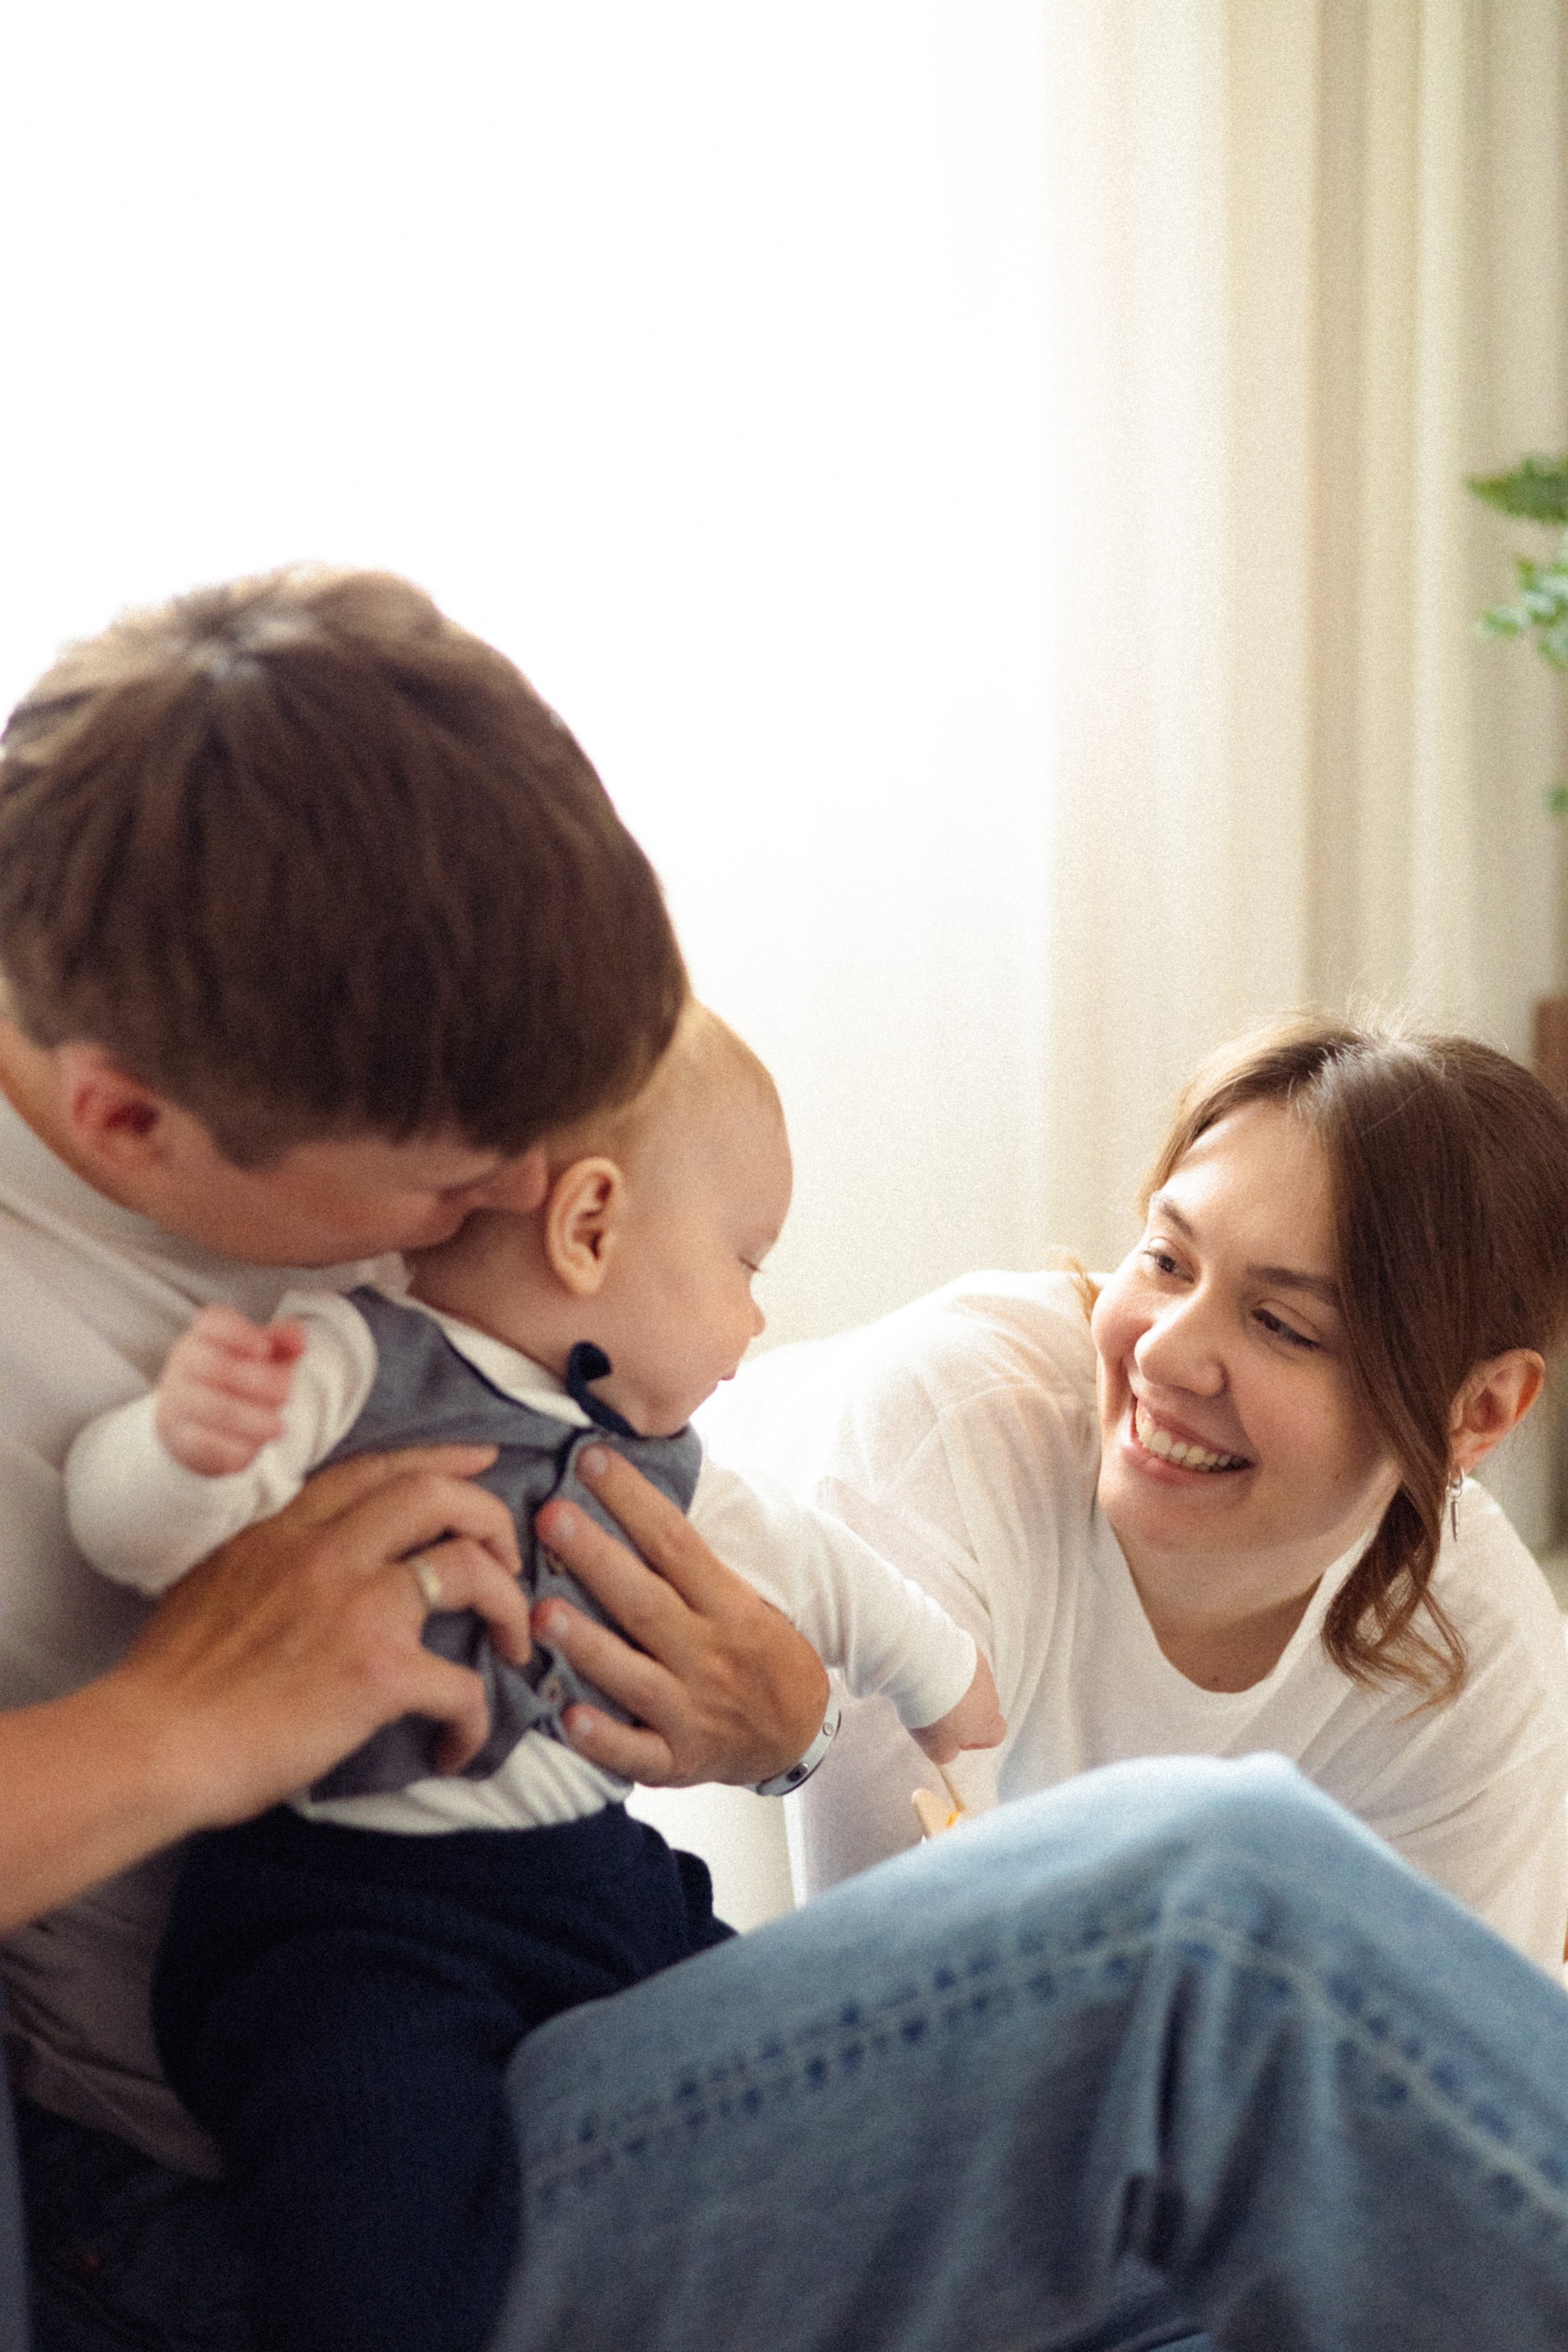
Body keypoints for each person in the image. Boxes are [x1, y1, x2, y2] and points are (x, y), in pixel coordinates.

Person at [3, 568, 1568, 2352]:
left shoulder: (346, 1133)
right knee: (1208, 1926)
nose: (518, 1213)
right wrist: (182, 1727)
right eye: (449, 1183)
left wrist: (805, 1715)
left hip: (560, 1993)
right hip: (307, 2173)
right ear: (127, 1118)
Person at [61, 1001, 1000, 2352]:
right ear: (590, 1226)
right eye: (744, 1261)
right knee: (373, 2217)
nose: (756, 1315)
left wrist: (943, 1679)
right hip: (355, 1911)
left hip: (593, 1881)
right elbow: (128, 1540)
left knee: (824, 2089)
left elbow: (824, 1572)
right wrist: (179, 1446)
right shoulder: (351, 1360)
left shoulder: (667, 1463)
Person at [702, 1017, 1568, 1972]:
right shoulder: (941, 1430)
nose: (1162, 1354)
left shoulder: (1487, 1664)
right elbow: (904, 2000)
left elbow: (1434, 2061)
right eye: (1166, 1261)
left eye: (1282, 1325)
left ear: (1477, 1411)